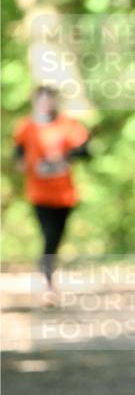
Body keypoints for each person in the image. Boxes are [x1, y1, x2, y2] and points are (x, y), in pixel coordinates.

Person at [13, 86, 90, 303]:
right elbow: (18, 153)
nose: (46, 104)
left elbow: (85, 150)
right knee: (49, 236)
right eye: (42, 100)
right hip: (39, 193)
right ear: (35, 102)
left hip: (64, 194)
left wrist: (65, 157)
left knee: (56, 238)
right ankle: (48, 283)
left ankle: (48, 276)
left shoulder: (67, 125)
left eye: (50, 100)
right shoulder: (26, 127)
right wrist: (27, 163)